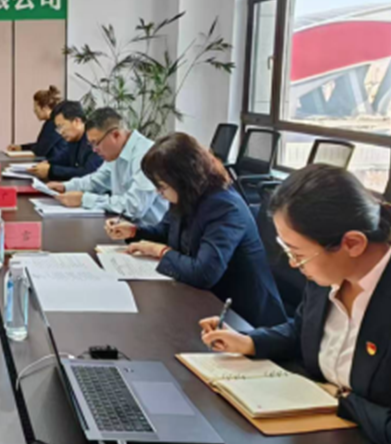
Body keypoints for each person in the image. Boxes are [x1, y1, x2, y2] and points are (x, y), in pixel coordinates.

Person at [200, 165, 391, 444]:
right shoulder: (330, 270)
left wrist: (342, 400)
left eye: (298, 254)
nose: (293, 264)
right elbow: (306, 332)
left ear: (352, 243)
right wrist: (249, 341)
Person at [105, 133, 287, 326]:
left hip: (244, 319)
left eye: (162, 186)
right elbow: (166, 232)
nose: (159, 192)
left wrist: (161, 252)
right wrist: (134, 231)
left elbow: (204, 273)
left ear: (183, 179)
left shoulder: (224, 207)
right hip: (206, 304)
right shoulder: (187, 196)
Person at [47, 107, 168, 224]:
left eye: (96, 143)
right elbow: (96, 181)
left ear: (115, 135)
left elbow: (134, 206)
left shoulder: (146, 155)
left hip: (149, 232)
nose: (94, 150)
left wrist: (84, 199)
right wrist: (65, 187)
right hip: (122, 225)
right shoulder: (115, 153)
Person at [27, 100, 101, 181]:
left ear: (76, 121)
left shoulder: (94, 139)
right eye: (58, 128)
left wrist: (51, 171)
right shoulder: (73, 139)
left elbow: (88, 173)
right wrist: (46, 164)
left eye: (61, 126)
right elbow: (63, 159)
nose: (60, 132)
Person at [7, 85, 67, 161]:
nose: (34, 111)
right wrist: (21, 147)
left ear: (45, 108)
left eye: (36, 108)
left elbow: (40, 150)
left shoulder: (54, 124)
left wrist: (22, 148)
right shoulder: (52, 122)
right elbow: (42, 145)